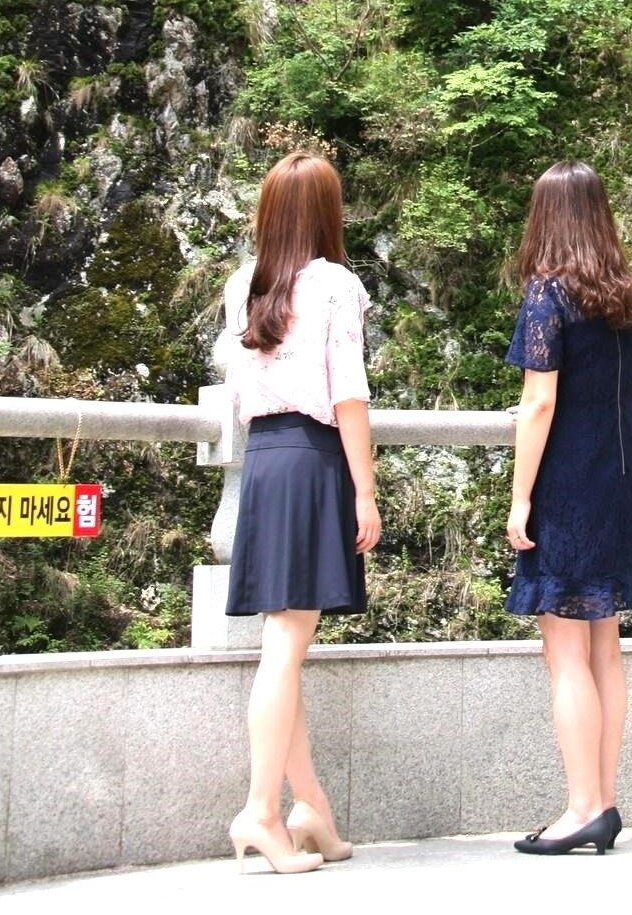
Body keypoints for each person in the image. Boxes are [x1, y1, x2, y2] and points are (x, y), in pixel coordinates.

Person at [219, 149, 381, 876]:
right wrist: (365, 489)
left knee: (283, 649)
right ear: (326, 213)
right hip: (313, 459)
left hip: (264, 462)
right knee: (285, 647)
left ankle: (310, 807)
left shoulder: (242, 285)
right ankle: (260, 811)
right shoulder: (335, 286)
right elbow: (348, 393)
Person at [504, 159, 632, 857]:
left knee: (564, 652)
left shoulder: (547, 296)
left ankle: (581, 806)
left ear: (547, 218)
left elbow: (539, 401)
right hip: (619, 485)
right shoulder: (628, 299)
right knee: (604, 649)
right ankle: (606, 798)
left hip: (566, 486)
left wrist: (520, 497)